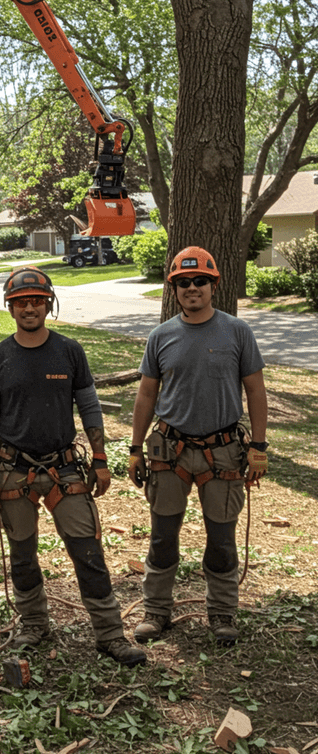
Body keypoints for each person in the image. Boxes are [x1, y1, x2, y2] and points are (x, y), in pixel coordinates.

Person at [0, 266, 146, 667]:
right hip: (14, 467)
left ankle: (109, 633)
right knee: (22, 551)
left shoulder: (69, 351)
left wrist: (100, 460)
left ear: (48, 304)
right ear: (10, 308)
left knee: (87, 549)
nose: (29, 308)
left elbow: (88, 406)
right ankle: (33, 623)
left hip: (64, 467)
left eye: (36, 301)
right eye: (21, 303)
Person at [128, 246, 268, 646]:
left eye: (200, 281)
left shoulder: (237, 332)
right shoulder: (161, 336)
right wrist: (136, 448)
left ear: (213, 285)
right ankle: (157, 610)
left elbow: (255, 390)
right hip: (170, 450)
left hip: (223, 449)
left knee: (221, 538)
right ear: (174, 289)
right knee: (162, 535)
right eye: (184, 282)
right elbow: (146, 396)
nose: (192, 288)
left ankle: (222, 612)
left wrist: (258, 447)